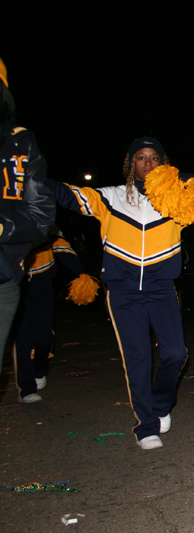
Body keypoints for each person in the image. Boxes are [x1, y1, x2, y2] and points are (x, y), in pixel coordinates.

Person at [46, 137, 194, 450]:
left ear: (164, 163)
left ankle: (160, 404)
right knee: (138, 358)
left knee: (176, 353)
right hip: (124, 291)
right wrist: (29, 175)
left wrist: (178, 178)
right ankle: (146, 426)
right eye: (141, 158)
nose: (148, 163)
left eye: (155, 158)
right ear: (131, 164)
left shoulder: (176, 203)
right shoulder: (112, 198)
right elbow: (67, 194)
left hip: (161, 289)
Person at [0, 57, 56, 375]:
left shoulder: (21, 141)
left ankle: (31, 379)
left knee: (39, 334)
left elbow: (41, 218)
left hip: (13, 271)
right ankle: (27, 383)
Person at [13, 231, 86, 402]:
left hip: (41, 283)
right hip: (15, 281)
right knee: (22, 338)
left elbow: (61, 246)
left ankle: (39, 370)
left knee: (45, 337)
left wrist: (81, 272)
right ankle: (26, 389)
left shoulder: (43, 214)